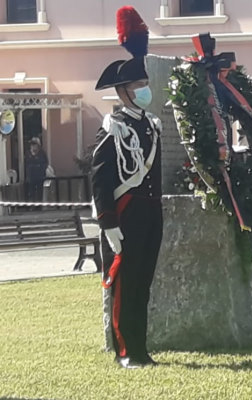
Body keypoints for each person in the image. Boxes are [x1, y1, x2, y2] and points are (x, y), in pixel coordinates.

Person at [92, 6, 163, 369]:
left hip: (151, 214)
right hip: (126, 214)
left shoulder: (151, 126)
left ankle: (142, 347)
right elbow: (100, 177)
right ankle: (125, 350)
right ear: (123, 91)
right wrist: (108, 223)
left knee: (144, 285)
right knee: (126, 285)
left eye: (145, 84)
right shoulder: (113, 128)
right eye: (138, 86)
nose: (144, 91)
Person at [24, 137, 49, 201]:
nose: (32, 146)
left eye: (34, 144)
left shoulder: (42, 153)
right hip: (31, 176)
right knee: (31, 192)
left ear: (38, 145)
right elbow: (26, 163)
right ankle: (32, 206)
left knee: (39, 191)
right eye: (31, 144)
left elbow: (45, 163)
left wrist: (40, 167)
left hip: (40, 176)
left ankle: (39, 206)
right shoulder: (28, 153)